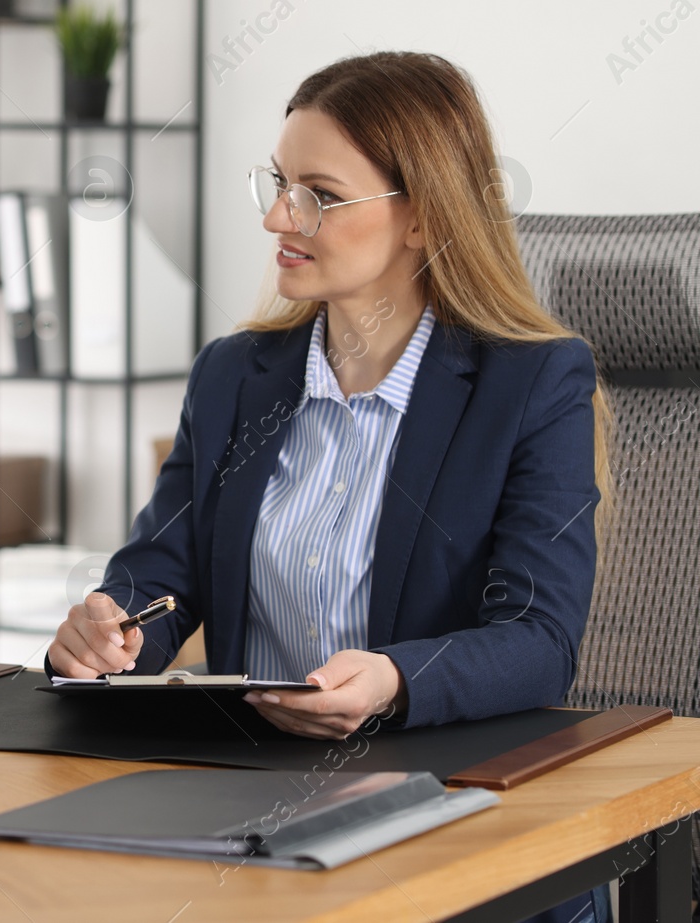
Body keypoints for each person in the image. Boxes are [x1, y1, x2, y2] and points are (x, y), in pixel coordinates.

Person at [48, 52, 614, 923]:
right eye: (277, 183)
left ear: (422, 217)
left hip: (452, 815)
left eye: (319, 192)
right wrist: (106, 632)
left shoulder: (531, 383)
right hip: (252, 822)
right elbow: (160, 578)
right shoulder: (236, 375)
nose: (280, 215)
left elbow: (539, 639)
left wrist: (392, 677)